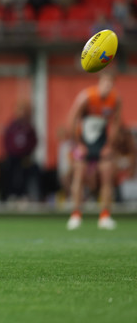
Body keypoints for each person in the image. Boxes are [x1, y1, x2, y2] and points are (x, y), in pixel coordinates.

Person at [67, 71, 120, 230]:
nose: (107, 87)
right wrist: (77, 144)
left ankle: (104, 216)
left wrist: (109, 145)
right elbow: (72, 119)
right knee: (79, 175)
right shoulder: (87, 97)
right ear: (99, 83)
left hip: (101, 141)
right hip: (83, 141)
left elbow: (116, 123)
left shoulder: (115, 100)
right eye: (105, 83)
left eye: (110, 84)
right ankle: (76, 215)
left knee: (106, 176)